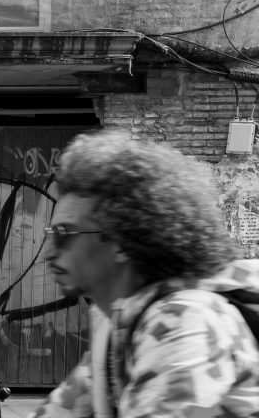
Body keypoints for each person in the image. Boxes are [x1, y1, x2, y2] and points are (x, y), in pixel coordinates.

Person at [33, 131, 259, 418]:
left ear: (121, 242)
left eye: (65, 234)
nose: (49, 254)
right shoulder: (115, 327)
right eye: (51, 234)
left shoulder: (183, 320)